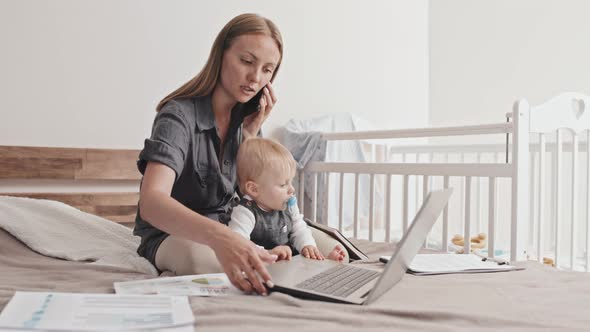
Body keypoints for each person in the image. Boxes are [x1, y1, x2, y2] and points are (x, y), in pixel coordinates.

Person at [134, 13, 283, 296]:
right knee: (204, 260)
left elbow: (251, 196)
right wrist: (222, 238)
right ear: (221, 55)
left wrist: (250, 137)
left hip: (228, 230)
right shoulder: (178, 116)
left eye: (267, 69)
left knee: (317, 244)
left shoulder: (247, 122)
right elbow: (152, 203)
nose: (255, 77)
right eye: (247, 61)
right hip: (172, 236)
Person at [228, 137, 346, 262]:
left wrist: (307, 245)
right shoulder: (245, 212)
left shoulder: (287, 205)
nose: (291, 190)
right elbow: (238, 242)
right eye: (283, 185)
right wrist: (267, 253)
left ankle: (323, 262)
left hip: (288, 260)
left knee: (305, 258)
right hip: (261, 264)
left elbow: (299, 228)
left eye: (290, 182)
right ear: (254, 189)